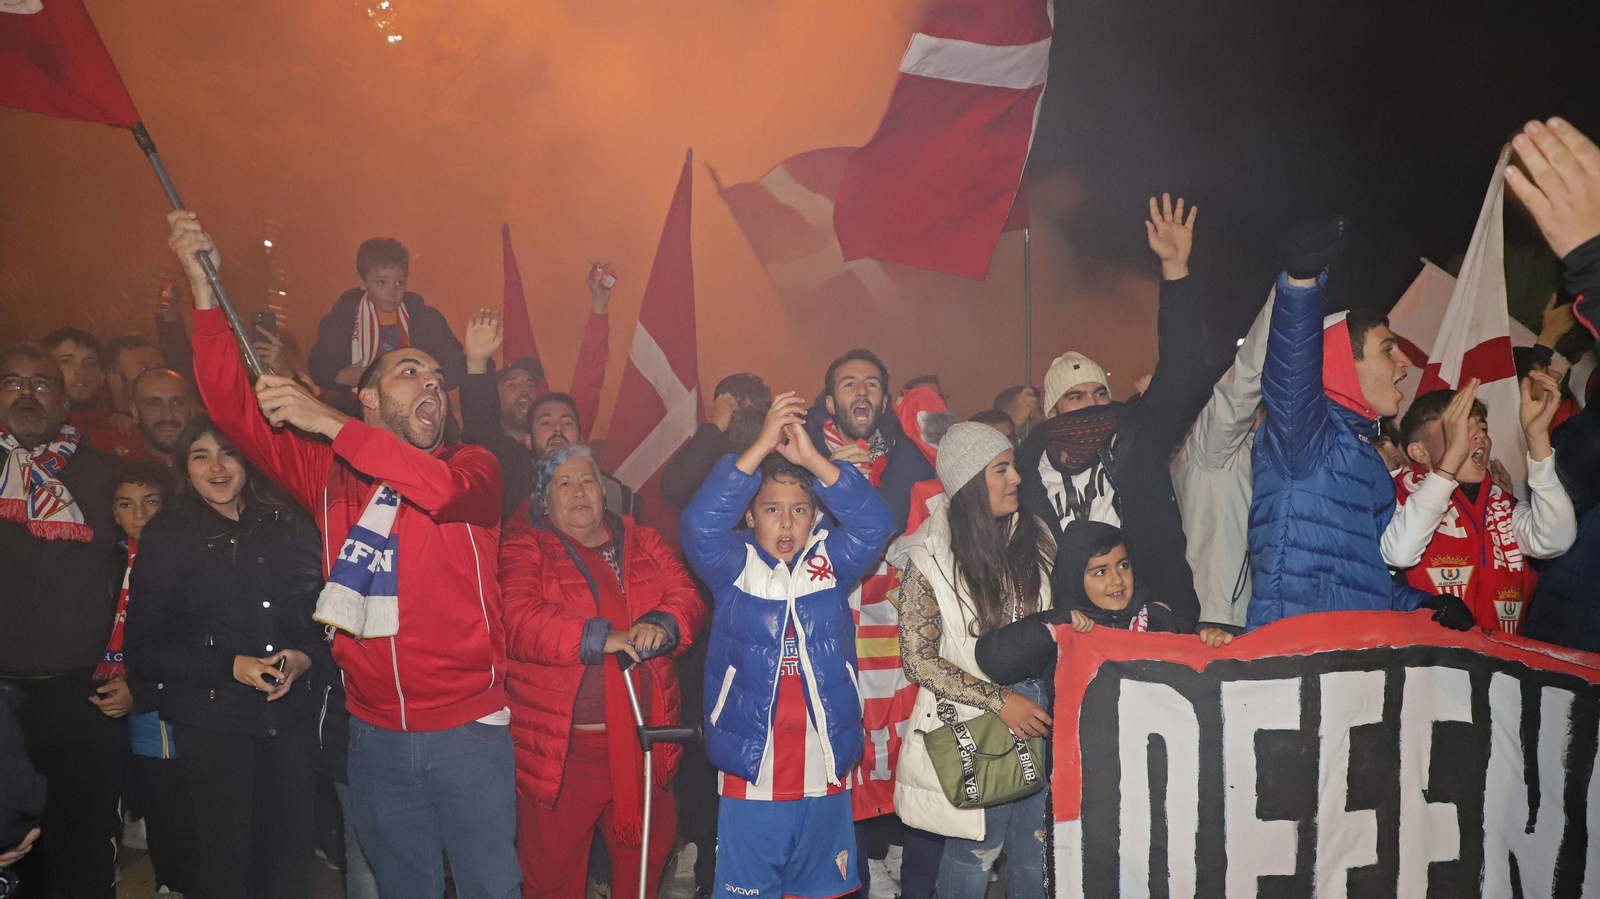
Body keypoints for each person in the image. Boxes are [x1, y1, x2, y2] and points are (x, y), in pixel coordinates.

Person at [168, 210, 521, 899]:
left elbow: (437, 492)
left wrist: (324, 419)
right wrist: (203, 294)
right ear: (367, 398)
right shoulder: (331, 473)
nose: (429, 384)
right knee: (401, 888)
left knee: (490, 889)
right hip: (376, 735)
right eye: (408, 370)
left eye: (436, 378)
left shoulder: (474, 466)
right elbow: (234, 407)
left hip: (468, 732)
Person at [681, 392, 893, 899]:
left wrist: (814, 461)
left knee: (823, 891)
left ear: (814, 517)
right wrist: (758, 447)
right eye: (771, 509)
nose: (785, 522)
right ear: (749, 517)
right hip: (754, 767)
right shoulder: (733, 566)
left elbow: (875, 525)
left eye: (799, 510)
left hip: (826, 763)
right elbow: (697, 526)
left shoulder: (831, 561)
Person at [123, 416, 325, 899]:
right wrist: (229, 664)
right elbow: (144, 648)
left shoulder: (286, 520)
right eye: (200, 455)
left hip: (291, 720)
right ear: (184, 468)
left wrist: (306, 658)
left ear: (248, 458)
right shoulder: (169, 533)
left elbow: (321, 615)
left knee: (291, 858)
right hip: (213, 724)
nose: (216, 466)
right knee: (228, 860)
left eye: (228, 452)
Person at [498, 445, 705, 899]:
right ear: (543, 500)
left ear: (604, 492)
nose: (578, 492)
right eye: (564, 483)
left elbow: (687, 597)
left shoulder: (644, 540)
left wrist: (664, 624)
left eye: (588, 481)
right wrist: (601, 636)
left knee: (644, 871)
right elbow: (517, 617)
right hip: (562, 754)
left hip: (644, 748)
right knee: (550, 881)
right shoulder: (524, 545)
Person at [1245, 216, 1467, 630]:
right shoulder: (1305, 437)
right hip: (1296, 653)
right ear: (1343, 363)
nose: (1406, 364)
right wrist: (1300, 284)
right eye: (1388, 350)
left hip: (1354, 654)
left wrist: (1422, 606)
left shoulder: (1366, 458)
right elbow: (1290, 375)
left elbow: (1372, 575)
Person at [1017, 195, 1216, 633]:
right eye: (1075, 398)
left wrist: (1175, 270)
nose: (1091, 405)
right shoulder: (1025, 469)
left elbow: (1183, 366)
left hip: (1156, 615)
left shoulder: (1135, 437)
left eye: (1099, 393)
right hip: (1074, 629)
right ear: (1051, 413)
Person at [889, 422, 1053, 899]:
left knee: (1034, 849)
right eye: (1001, 469)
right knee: (976, 852)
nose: (1016, 479)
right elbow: (918, 660)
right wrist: (1001, 702)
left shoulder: (1036, 536)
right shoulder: (930, 554)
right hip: (978, 725)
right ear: (969, 483)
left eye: (1014, 466)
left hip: (1044, 715)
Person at [0, 344, 124, 899]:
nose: (26, 394)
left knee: (82, 844)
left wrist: (133, 670)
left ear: (66, 396)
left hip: (82, 695)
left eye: (41, 383)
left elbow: (141, 580)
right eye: (13, 382)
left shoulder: (104, 476)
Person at [1383, 378, 1575, 635]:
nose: (1480, 436)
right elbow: (1399, 553)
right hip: (1425, 666)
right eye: (1461, 428)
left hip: (1497, 667)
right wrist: (1451, 461)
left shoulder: (1500, 504)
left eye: (1482, 427)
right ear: (1420, 452)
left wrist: (1536, 437)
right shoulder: (1395, 491)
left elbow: (1556, 539)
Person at [96, 460, 196, 897]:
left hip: (166, 699)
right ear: (113, 512)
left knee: (173, 797)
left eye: (150, 502)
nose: (140, 514)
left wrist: (138, 690)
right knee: (141, 795)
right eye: (126, 504)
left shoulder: (190, 558)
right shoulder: (99, 562)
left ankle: (176, 881)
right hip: (108, 696)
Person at [975, 521, 1235, 687]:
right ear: (1076, 579)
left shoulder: (1156, 619)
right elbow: (993, 662)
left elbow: (1201, 667)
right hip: (1082, 767)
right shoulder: (1063, 632)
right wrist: (1050, 625)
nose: (1117, 580)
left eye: (1123, 565)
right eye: (1100, 572)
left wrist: (1210, 639)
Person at [460, 302, 632, 521]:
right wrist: (476, 363)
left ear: (580, 438)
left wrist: (599, 305)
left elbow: (588, 384)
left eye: (567, 422)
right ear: (528, 440)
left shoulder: (608, 498)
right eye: (545, 422)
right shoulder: (512, 471)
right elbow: (481, 430)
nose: (557, 428)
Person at [1170, 290, 1273, 630]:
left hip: (1255, 613)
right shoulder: (1209, 451)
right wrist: (1289, 294)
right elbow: (1244, 382)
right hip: (1220, 618)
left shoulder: (1251, 448)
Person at [308, 236, 468, 417]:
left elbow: (456, 367)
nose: (393, 292)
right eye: (382, 283)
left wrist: (420, 381)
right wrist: (348, 377)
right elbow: (318, 368)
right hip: (357, 417)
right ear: (361, 281)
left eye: (400, 282)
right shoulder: (343, 319)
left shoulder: (426, 319)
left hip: (420, 416)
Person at [804, 349, 936, 533]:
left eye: (872, 384)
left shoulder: (912, 459)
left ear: (883, 404)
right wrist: (830, 480)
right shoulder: (802, 460)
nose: (862, 392)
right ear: (831, 404)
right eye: (849, 384)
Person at [660, 373, 772, 509]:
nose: (754, 420)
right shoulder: (711, 449)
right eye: (745, 411)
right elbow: (676, 488)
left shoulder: (773, 450)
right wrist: (716, 427)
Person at [41, 328, 141, 457]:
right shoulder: (28, 433)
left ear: (101, 377)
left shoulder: (126, 433)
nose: (81, 371)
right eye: (66, 361)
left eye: (90, 362)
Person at [126, 367, 197, 464]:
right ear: (135, 411)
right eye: (154, 403)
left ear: (192, 409)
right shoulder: (120, 469)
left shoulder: (213, 466)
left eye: (177, 403)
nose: (168, 416)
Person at [103, 334, 164, 416]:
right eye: (144, 369)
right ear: (114, 379)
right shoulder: (99, 423)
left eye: (159, 367)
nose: (157, 375)